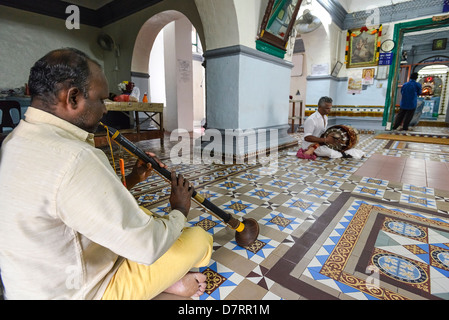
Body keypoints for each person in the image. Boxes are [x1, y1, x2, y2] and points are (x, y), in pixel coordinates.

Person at [0, 48, 213, 300]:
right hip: (84, 292)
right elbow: (148, 247)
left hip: (33, 286)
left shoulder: (12, 141)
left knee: (142, 215)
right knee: (199, 239)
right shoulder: (75, 156)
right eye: (101, 100)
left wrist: (133, 179)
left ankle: (162, 276)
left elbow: (74, 203)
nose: (105, 110)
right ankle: (167, 283)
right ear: (73, 98)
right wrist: (179, 209)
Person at [298, 96, 364, 159]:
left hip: (320, 143)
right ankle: (344, 154)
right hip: (309, 145)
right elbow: (307, 137)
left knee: (343, 148)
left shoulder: (325, 117)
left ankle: (346, 153)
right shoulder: (311, 119)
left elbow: (322, 134)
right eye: (327, 108)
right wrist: (326, 140)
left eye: (330, 108)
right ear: (319, 107)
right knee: (331, 153)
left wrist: (333, 137)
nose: (329, 110)